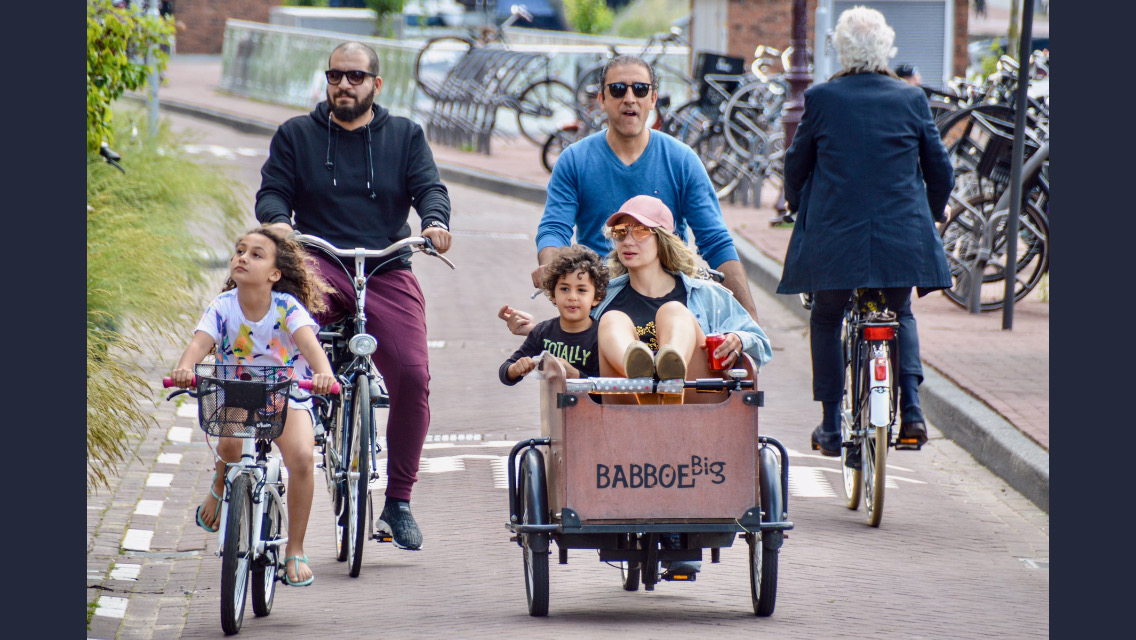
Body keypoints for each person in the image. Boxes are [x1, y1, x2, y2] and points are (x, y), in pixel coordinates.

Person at [255, 41, 453, 551]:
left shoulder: (405, 135)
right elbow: (273, 190)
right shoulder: (296, 134)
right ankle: (269, 447)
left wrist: (434, 222)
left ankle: (398, 502)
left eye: (356, 76)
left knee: (413, 374)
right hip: (318, 262)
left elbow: (430, 188)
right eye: (336, 75)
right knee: (283, 349)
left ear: (376, 84)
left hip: (386, 265)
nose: (344, 84)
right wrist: (278, 223)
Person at [775, 7, 954, 463]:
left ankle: (830, 425)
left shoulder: (822, 98)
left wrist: (794, 204)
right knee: (901, 311)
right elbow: (940, 170)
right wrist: (933, 213)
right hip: (901, 236)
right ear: (886, 48)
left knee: (826, 316)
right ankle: (912, 414)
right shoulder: (911, 98)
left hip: (835, 239)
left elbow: (796, 164)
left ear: (841, 49)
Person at [499, 54, 760, 336]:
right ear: (602, 99)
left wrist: (750, 323)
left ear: (653, 99)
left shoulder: (682, 160)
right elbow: (554, 228)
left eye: (641, 89)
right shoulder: (574, 160)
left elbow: (715, 239)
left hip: (670, 297)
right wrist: (551, 264)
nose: (630, 98)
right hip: (603, 298)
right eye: (618, 89)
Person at [592, 195, 773, 576]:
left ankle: (668, 368)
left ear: (662, 239)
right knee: (611, 322)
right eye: (621, 232)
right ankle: (640, 370)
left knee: (674, 311)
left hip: (690, 405)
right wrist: (533, 332)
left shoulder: (705, 294)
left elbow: (760, 342)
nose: (628, 240)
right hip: (627, 409)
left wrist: (738, 339)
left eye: (640, 231)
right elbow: (567, 337)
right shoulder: (603, 297)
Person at [171, 227, 338, 587]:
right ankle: (220, 486)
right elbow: (199, 345)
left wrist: (324, 373)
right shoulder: (222, 306)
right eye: (240, 251)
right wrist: (185, 368)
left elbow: (311, 347)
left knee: (302, 458)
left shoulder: (287, 307)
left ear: (275, 274)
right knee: (229, 446)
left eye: (256, 254)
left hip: (285, 392)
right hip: (237, 391)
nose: (243, 258)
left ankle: (295, 548)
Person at [499, 245, 608, 385]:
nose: (572, 297)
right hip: (551, 400)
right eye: (564, 289)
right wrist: (514, 370)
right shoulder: (542, 333)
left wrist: (575, 376)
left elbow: (606, 389)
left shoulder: (602, 338)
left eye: (581, 290)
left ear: (597, 296)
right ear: (552, 294)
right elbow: (505, 371)